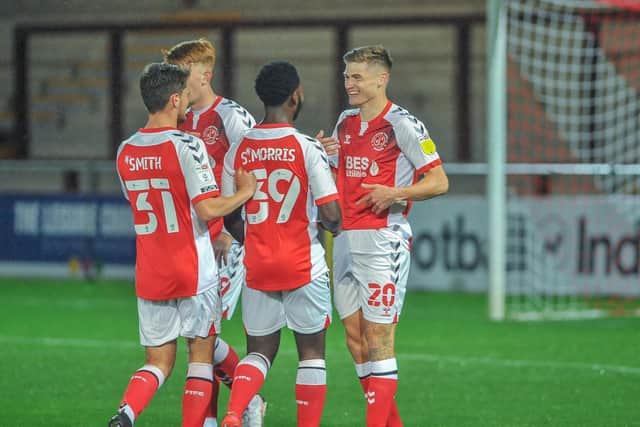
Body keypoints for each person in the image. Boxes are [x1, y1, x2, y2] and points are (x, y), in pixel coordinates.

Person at [108, 62, 256, 427]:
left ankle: (126, 413)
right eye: (186, 95)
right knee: (200, 356)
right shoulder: (187, 145)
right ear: (174, 99)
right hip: (193, 266)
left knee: (157, 362)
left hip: (151, 269)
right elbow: (207, 209)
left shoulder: (125, 151)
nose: (190, 101)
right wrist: (244, 192)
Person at [319, 45, 449, 427]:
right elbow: (348, 169)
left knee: (379, 340)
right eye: (347, 76)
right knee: (355, 340)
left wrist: (395, 193)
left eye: (357, 77)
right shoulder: (345, 121)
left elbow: (439, 181)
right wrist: (330, 155)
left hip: (382, 239)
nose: (350, 84)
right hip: (343, 239)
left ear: (382, 79)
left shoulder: (403, 125)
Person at [219, 60, 342, 427]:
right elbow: (332, 216)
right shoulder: (306, 147)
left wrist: (257, 238)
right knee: (312, 355)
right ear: (296, 95)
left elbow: (230, 216)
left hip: (257, 265)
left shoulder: (238, 149)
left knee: (259, 353)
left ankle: (232, 413)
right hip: (304, 263)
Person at [162, 38, 265, 427]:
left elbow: (256, 174)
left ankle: (230, 409)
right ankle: (247, 398)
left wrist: (230, 233)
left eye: (181, 71)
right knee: (199, 337)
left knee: (203, 337)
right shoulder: (177, 118)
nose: (175, 80)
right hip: (189, 243)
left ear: (204, 75)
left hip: (226, 240)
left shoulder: (232, 118)